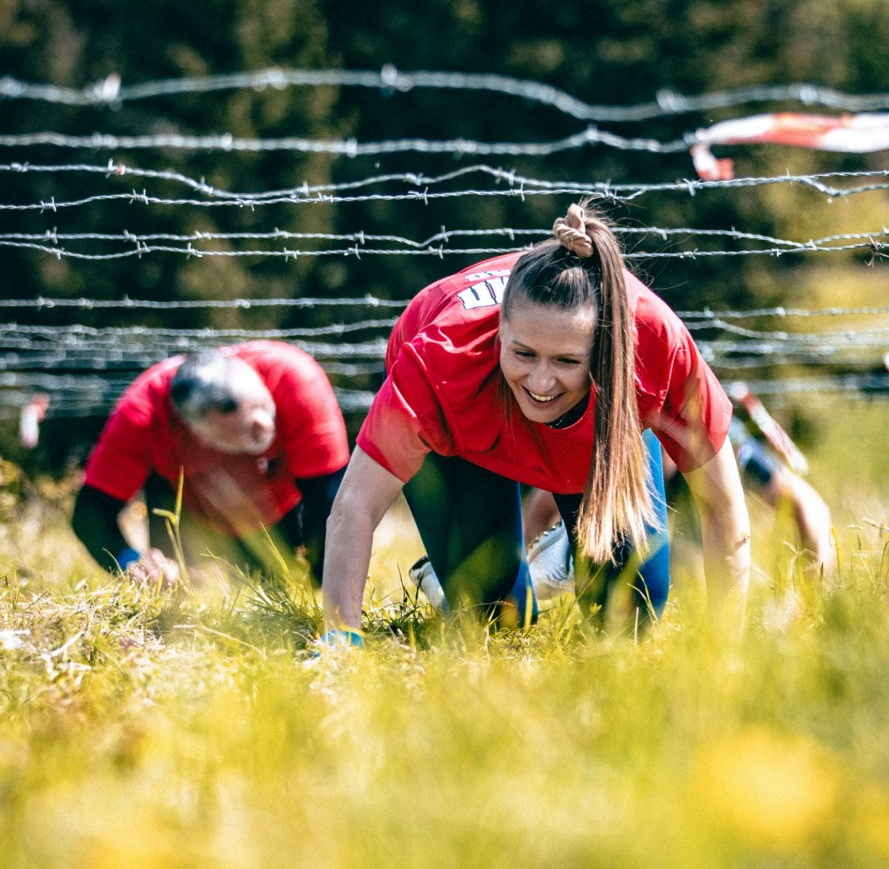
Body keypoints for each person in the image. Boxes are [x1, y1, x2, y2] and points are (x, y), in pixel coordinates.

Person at [320, 203, 750, 647]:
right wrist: (341, 639)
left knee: (631, 611)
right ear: (499, 333)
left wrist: (726, 651)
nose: (541, 382)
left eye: (566, 361)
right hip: (469, 427)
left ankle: (564, 550)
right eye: (523, 354)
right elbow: (354, 505)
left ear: (602, 350)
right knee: (494, 618)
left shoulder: (657, 347)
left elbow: (721, 506)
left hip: (594, 432)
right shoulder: (439, 359)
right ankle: (456, 571)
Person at [72, 342, 349, 586]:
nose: (264, 426)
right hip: (189, 517)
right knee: (179, 606)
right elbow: (91, 513)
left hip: (281, 513)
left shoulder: (294, 379)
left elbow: (331, 498)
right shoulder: (144, 413)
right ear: (198, 433)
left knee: (280, 593)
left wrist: (323, 581)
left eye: (264, 407)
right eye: (244, 431)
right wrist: (132, 563)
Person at [520, 412, 836, 599]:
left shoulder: (721, 444)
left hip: (701, 543)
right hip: (635, 544)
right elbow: (538, 509)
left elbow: (808, 505)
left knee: (693, 563)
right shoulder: (616, 449)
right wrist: (523, 587)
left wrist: (811, 592)